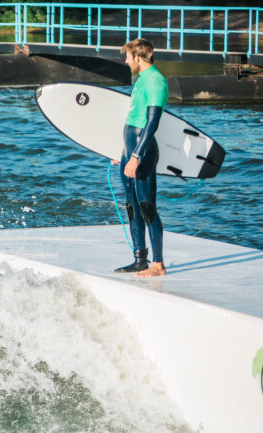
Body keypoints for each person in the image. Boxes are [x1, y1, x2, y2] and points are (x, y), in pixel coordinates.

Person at [114, 38, 169, 278]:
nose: (126, 61)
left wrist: (136, 156)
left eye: (127, 57)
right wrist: (124, 153)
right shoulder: (142, 80)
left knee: (147, 207)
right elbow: (134, 120)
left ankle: (158, 264)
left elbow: (152, 123)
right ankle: (140, 259)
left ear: (138, 57)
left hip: (142, 151)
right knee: (132, 206)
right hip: (131, 149)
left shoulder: (155, 81)